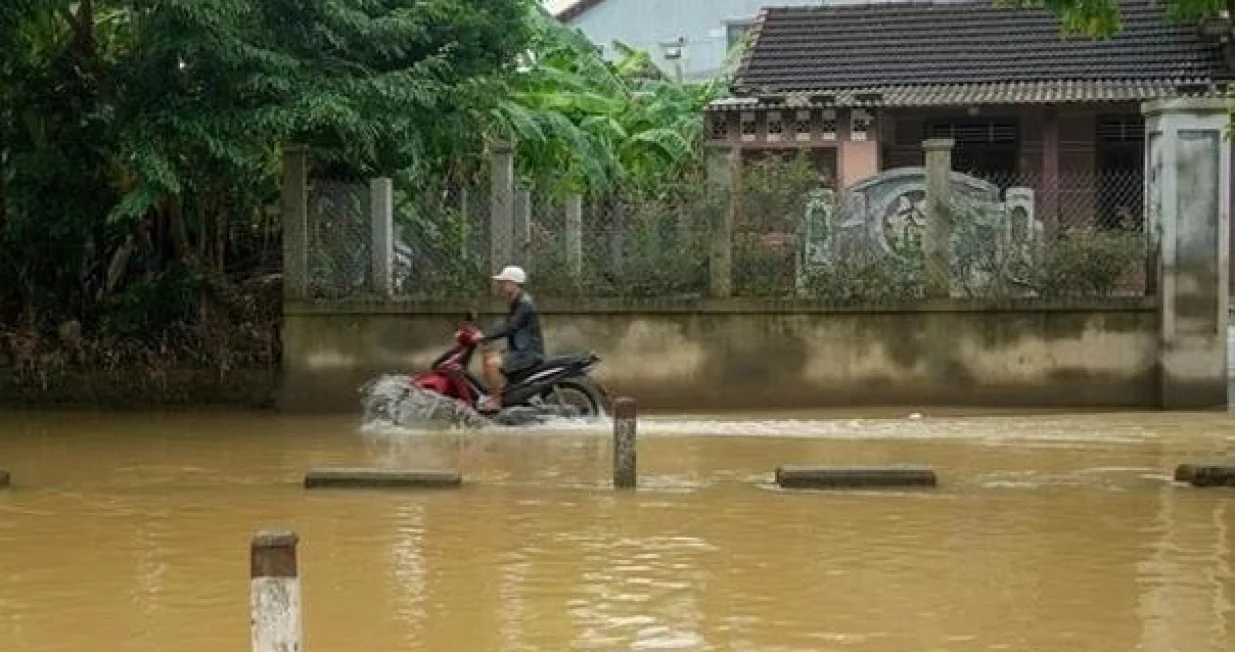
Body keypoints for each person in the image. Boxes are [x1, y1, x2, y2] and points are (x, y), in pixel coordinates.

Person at [476, 265, 545, 413]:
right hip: (520, 350)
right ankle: (501, 393)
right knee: (488, 355)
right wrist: (484, 335)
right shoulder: (517, 302)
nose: (500, 286)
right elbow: (507, 325)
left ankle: (496, 401)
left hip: (528, 353)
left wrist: (485, 336)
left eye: (503, 282)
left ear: (514, 284)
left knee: (492, 363)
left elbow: (511, 328)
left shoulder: (524, 304)